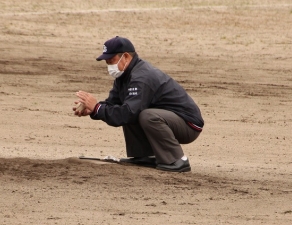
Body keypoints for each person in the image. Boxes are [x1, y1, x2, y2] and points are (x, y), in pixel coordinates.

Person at [74, 36, 204, 173]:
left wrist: (97, 108)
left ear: (125, 57)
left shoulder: (141, 77)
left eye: (111, 60)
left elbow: (128, 113)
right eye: (106, 61)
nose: (109, 65)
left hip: (188, 124)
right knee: (132, 109)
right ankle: (145, 156)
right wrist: (93, 110)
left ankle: (177, 160)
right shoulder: (123, 76)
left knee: (146, 115)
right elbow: (113, 104)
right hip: (169, 120)